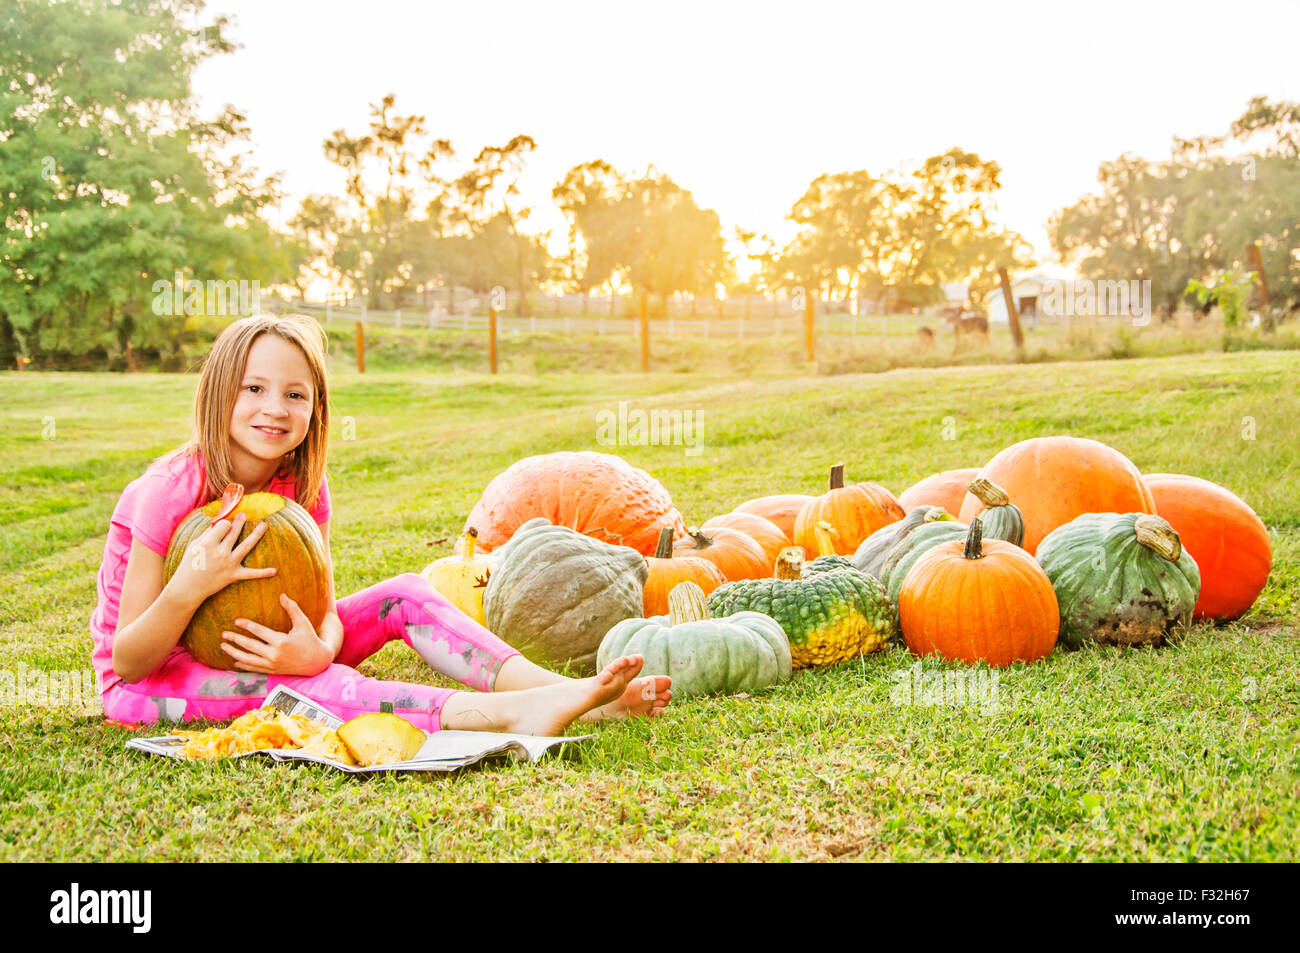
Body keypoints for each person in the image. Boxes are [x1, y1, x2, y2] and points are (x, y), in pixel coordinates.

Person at [91, 313, 671, 734]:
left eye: (296, 393)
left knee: (406, 594)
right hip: (154, 686)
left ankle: (563, 692)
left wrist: (318, 649)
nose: (275, 408)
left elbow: (323, 608)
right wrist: (191, 585)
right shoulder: (168, 492)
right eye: (255, 388)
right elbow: (129, 661)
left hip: (288, 654)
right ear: (219, 392)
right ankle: (509, 716)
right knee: (301, 692)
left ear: (316, 408)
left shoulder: (302, 487)